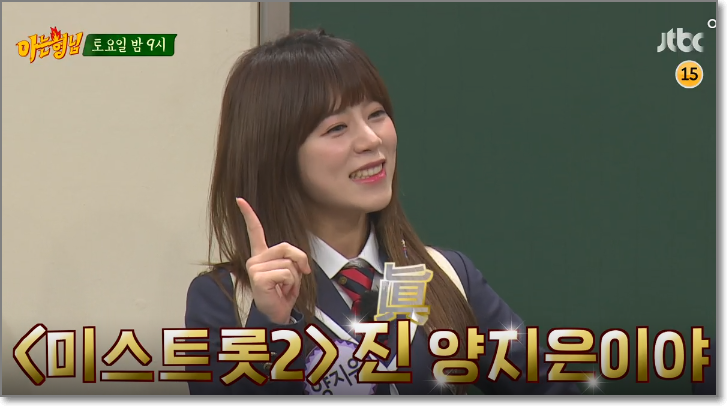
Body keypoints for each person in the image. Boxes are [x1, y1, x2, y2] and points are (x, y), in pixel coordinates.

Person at [184, 29, 580, 396]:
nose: (372, 139)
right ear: (276, 156)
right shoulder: (227, 300)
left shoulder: (447, 277)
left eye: (376, 114)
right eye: (337, 128)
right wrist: (272, 326)